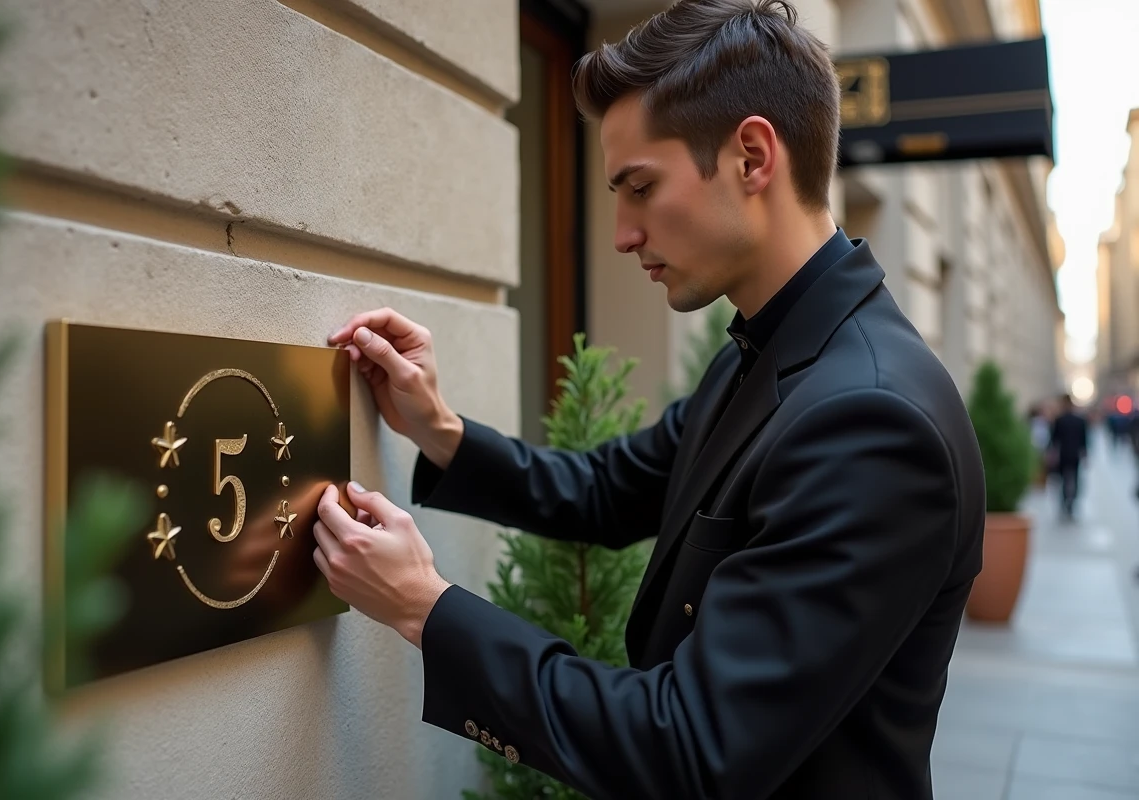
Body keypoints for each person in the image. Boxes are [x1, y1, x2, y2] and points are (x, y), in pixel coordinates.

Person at [314, 1, 986, 797]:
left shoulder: (872, 421)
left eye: (640, 187)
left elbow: (692, 749)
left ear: (751, 156)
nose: (622, 233)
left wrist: (426, 607)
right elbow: (605, 492)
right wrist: (438, 428)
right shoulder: (772, 349)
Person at [1048, 393, 1089, 519]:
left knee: (1063, 479)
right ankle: (1071, 501)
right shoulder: (1080, 420)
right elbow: (1084, 440)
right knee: (1074, 479)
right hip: (1074, 454)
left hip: (1063, 454)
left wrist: (1052, 454)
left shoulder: (1059, 420)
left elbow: (1054, 440)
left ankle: (1065, 501)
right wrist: (1085, 455)